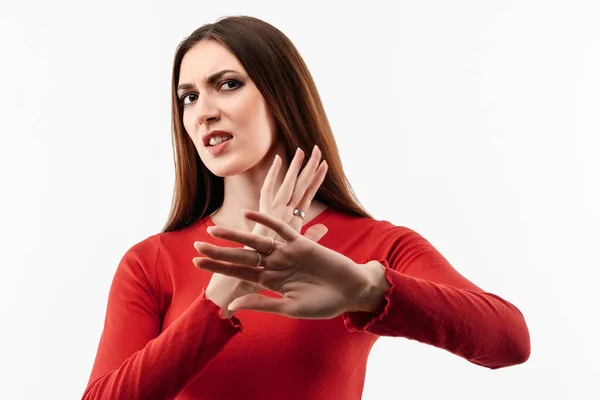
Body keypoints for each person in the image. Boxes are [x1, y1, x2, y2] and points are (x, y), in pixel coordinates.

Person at [81, 15, 531, 400]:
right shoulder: (151, 261)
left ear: (282, 95)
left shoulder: (375, 244)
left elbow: (509, 341)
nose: (203, 112)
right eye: (189, 96)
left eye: (228, 85)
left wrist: (366, 290)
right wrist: (220, 295)